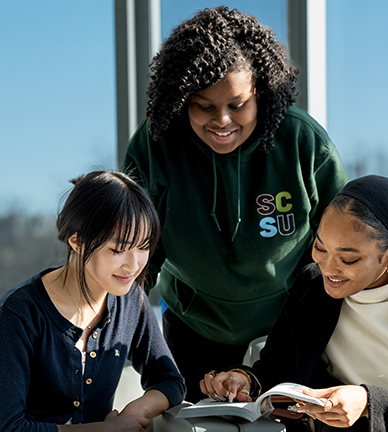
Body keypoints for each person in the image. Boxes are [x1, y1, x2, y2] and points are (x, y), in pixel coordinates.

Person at [121, 6, 349, 402]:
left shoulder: (302, 141)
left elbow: (347, 240)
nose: (223, 120)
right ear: (181, 99)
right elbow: (137, 251)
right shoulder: (156, 144)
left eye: (237, 104)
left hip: (290, 324)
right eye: (204, 106)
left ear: (261, 92)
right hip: (195, 325)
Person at [200, 174, 388, 431]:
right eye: (320, 247)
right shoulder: (312, 286)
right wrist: (243, 379)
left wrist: (369, 402)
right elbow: (278, 367)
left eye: (349, 258)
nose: (328, 268)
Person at [0, 170, 186, 432]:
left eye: (143, 247)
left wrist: (134, 413)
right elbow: (3, 429)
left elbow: (170, 380)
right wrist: (103, 430)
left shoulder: (131, 300)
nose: (133, 266)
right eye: (118, 250)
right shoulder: (18, 312)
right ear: (77, 241)